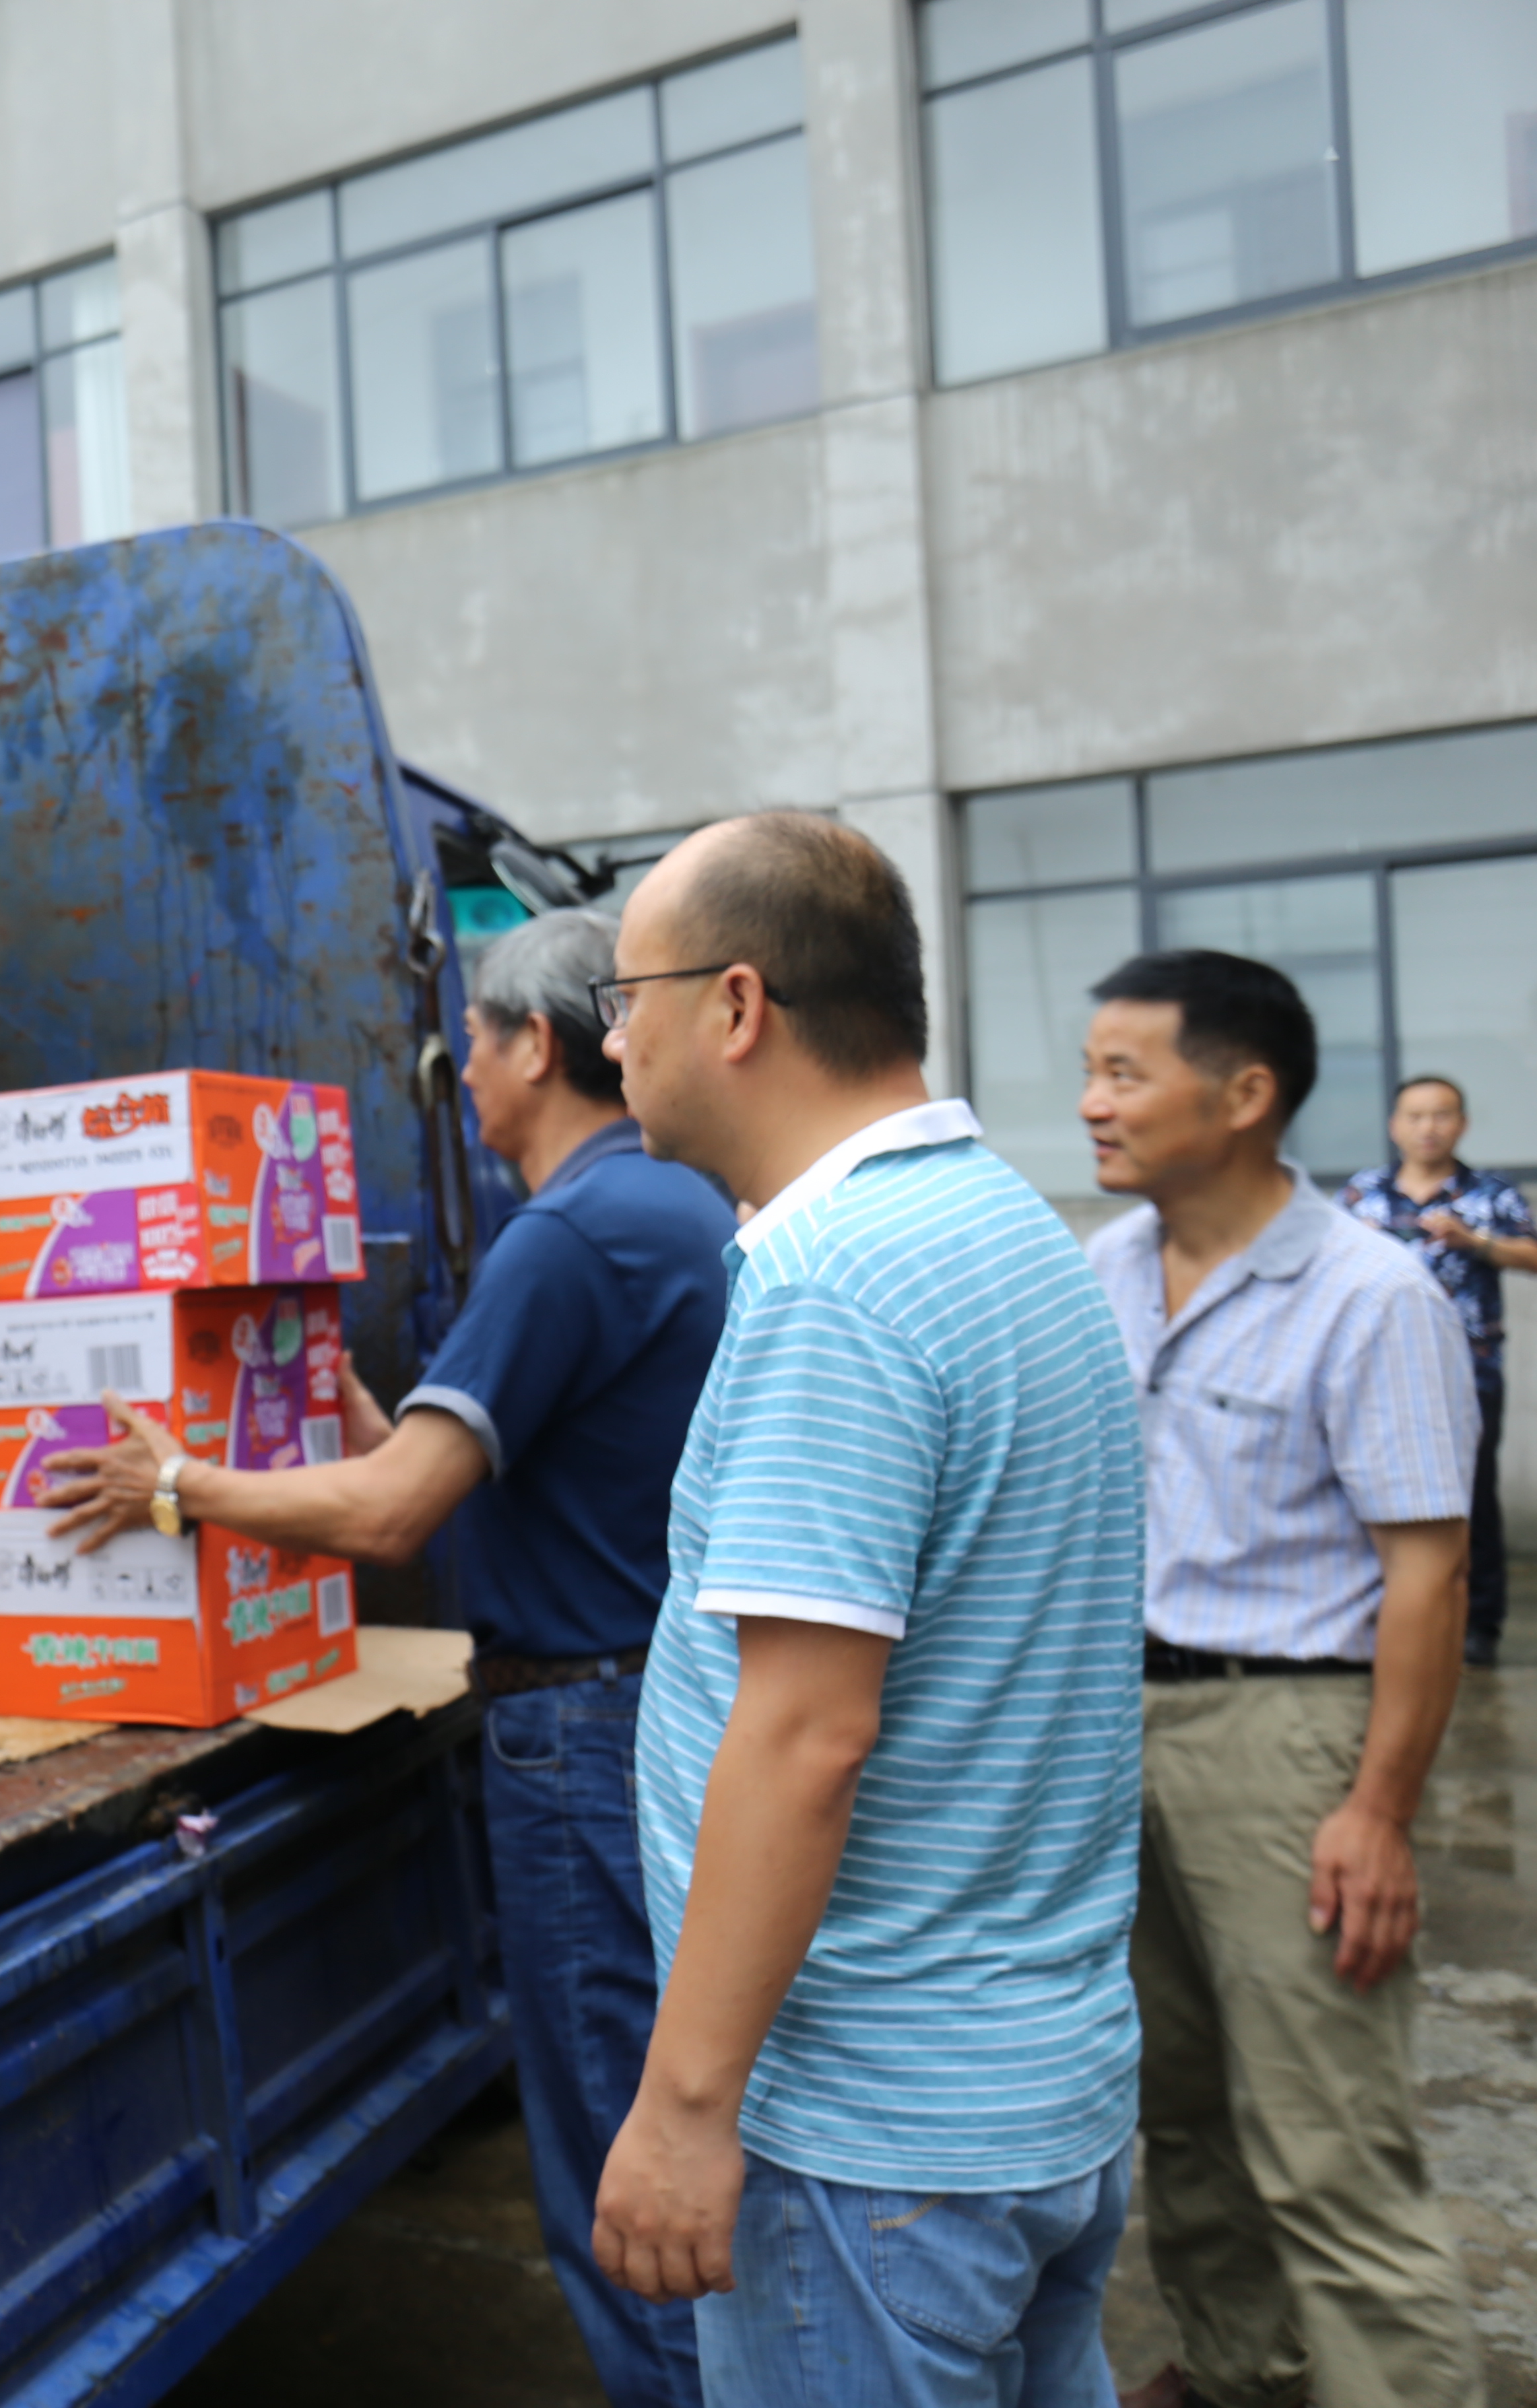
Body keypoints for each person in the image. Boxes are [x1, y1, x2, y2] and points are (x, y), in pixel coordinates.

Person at [43, 908, 728, 2407]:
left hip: (587, 1730)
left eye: (467, 1042)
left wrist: (176, 1485)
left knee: (617, 2155)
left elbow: (393, 1513)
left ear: (532, 1045)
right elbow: (477, 1462)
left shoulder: (566, 1233)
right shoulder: (666, 1202)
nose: (457, 1073)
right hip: (657, 1701)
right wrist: (314, 1380)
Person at [583, 813, 1147, 2405]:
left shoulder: (839, 1283)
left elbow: (806, 1734)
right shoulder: (1008, 1230)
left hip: (870, 2141)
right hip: (1025, 2090)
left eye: (626, 997)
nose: (610, 1041)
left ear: (736, 1005)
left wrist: (684, 2107)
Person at [1078, 954, 1486, 2408]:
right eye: (1091, 1069)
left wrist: (1378, 1811)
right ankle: (1246, 2375)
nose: (1090, 1103)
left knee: (1328, 2143)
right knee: (1180, 2110)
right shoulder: (1104, 1270)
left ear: (1244, 1094)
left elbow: (1429, 1574)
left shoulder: (1372, 1296)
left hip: (1283, 1734)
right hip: (1118, 1726)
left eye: (1123, 1073)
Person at [1340, 1074, 1532, 1669]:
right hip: (1378, 1372)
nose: (1428, 1127)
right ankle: (1379, 1620)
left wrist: (1476, 1242)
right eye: (1416, 1116)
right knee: (1374, 1493)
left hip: (1469, 1371)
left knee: (1471, 1496)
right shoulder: (1363, 1195)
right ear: (1395, 1126)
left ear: (1462, 1124)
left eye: (1441, 1115)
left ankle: (1479, 1624)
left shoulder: (1489, 1195)